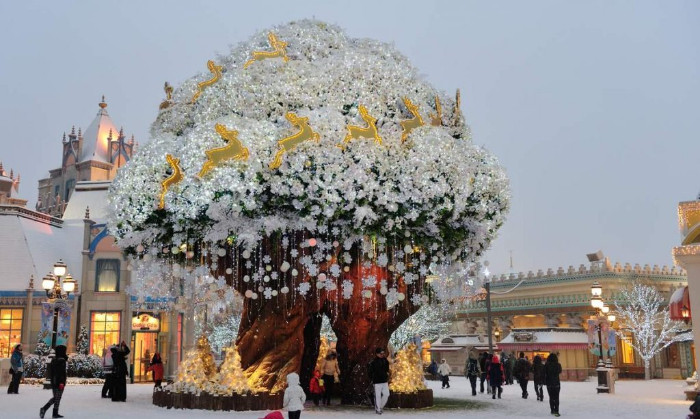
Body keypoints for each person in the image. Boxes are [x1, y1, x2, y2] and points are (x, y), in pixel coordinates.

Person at [40, 344, 68, 419]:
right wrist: (61, 382)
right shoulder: (61, 360)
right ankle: (45, 409)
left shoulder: (55, 359)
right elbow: (61, 373)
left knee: (56, 397)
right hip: (59, 381)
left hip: (54, 381)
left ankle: (54, 412)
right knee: (57, 397)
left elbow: (53, 372)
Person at [368, 347, 390, 414]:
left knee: (386, 394)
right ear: (377, 354)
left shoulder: (385, 360)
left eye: (383, 353)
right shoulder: (373, 362)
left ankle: (380, 406)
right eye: (381, 353)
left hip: (384, 381)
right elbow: (370, 372)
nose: (382, 354)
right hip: (377, 381)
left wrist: (387, 375)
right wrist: (372, 378)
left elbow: (387, 370)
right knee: (377, 396)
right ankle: (378, 409)